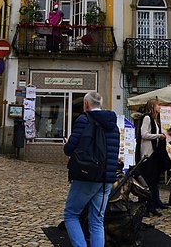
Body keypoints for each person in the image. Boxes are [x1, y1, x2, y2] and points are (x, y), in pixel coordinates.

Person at [63, 92, 120, 247]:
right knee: (97, 221)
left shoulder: (84, 119)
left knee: (71, 215)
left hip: (87, 175)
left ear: (86, 104)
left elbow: (69, 149)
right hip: (106, 179)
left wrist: (68, 143)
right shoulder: (113, 124)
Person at [138, 98, 170, 216]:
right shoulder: (147, 118)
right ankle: (146, 206)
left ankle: (153, 203)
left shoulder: (155, 120)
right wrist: (158, 136)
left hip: (154, 152)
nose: (160, 107)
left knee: (153, 180)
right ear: (153, 106)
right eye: (158, 105)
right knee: (148, 180)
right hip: (147, 153)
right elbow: (143, 134)